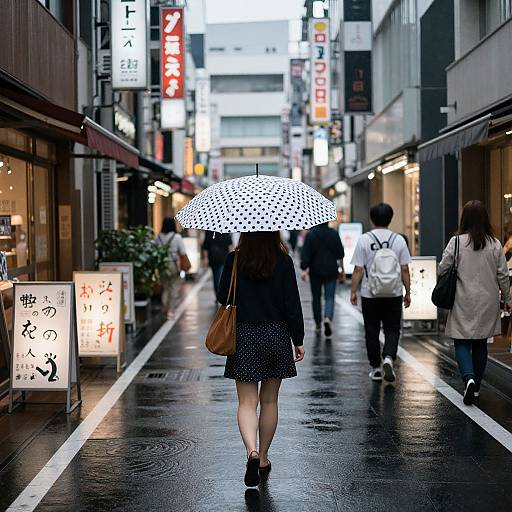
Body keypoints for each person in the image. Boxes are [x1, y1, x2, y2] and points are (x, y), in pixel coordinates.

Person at [218, 232, 305, 487]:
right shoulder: (283, 261)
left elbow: (224, 296)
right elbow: (293, 304)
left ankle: (251, 452)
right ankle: (264, 458)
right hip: (275, 334)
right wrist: (297, 339)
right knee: (269, 401)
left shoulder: (234, 259)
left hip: (243, 334)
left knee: (247, 401)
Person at [439, 200, 511, 405]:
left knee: (461, 341)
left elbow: (443, 269)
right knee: (480, 343)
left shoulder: (457, 242)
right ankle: (476, 385)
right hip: (487, 301)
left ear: (465, 219)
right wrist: (508, 299)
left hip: (463, 300)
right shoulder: (495, 244)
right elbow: (503, 275)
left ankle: (468, 378)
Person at [350, 203, 411, 382]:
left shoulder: (364, 239)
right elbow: (405, 269)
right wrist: (408, 291)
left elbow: (358, 270)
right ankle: (389, 357)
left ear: (372, 218)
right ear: (390, 219)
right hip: (393, 292)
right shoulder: (398, 239)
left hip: (370, 293)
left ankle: (376, 367)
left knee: (372, 330)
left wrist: (353, 291)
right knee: (392, 328)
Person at [300, 223, 345, 338]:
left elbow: (306, 255)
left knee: (316, 297)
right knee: (329, 297)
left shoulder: (311, 235)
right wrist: (342, 270)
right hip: (331, 270)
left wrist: (304, 268)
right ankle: (328, 317)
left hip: (315, 271)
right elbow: (340, 253)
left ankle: (318, 323)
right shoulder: (334, 234)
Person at [156, 217, 187, 320]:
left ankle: (165, 306)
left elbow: (154, 250)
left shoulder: (158, 237)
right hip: (173, 264)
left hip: (162, 265)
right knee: (174, 287)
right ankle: (171, 310)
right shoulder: (177, 237)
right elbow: (182, 252)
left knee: (165, 286)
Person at [201, 231, 232, 300]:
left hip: (214, 257)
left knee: (216, 277)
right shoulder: (225, 231)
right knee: (221, 277)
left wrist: (206, 258)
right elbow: (230, 245)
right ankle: (221, 295)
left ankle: (218, 295)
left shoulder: (209, 231)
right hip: (223, 258)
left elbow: (205, 246)